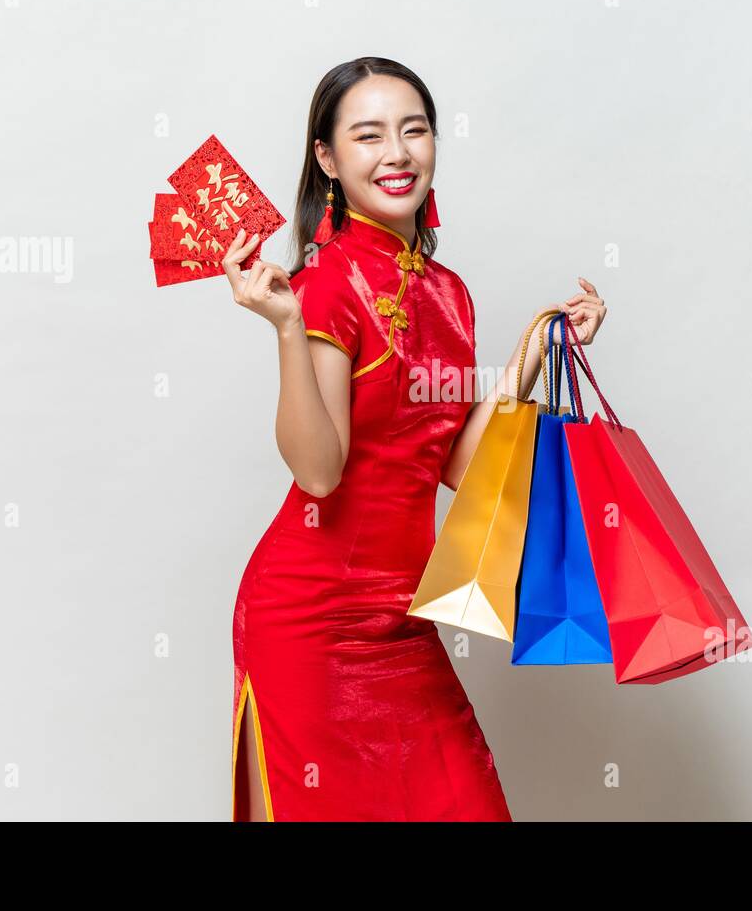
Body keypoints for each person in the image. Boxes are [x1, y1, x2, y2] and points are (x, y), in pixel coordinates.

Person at [223, 57, 607, 820]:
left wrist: (540, 342)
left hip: (405, 618)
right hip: (311, 621)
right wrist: (289, 327)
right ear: (328, 160)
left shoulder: (449, 292)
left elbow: (461, 467)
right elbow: (320, 472)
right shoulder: (326, 284)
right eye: (368, 136)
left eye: (414, 130)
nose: (397, 152)